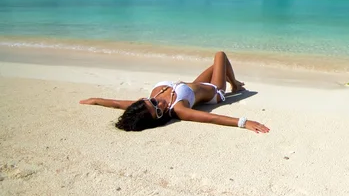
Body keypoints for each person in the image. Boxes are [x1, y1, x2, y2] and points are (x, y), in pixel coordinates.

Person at [79, 51, 270, 134]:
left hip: (194, 85)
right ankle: (233, 86)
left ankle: (235, 84)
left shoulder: (147, 102)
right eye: (159, 110)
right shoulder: (178, 109)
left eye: (152, 102)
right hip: (214, 92)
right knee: (220, 56)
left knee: (218, 65)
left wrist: (95, 100)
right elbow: (213, 119)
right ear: (160, 117)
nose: (159, 103)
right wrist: (244, 123)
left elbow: (116, 103)